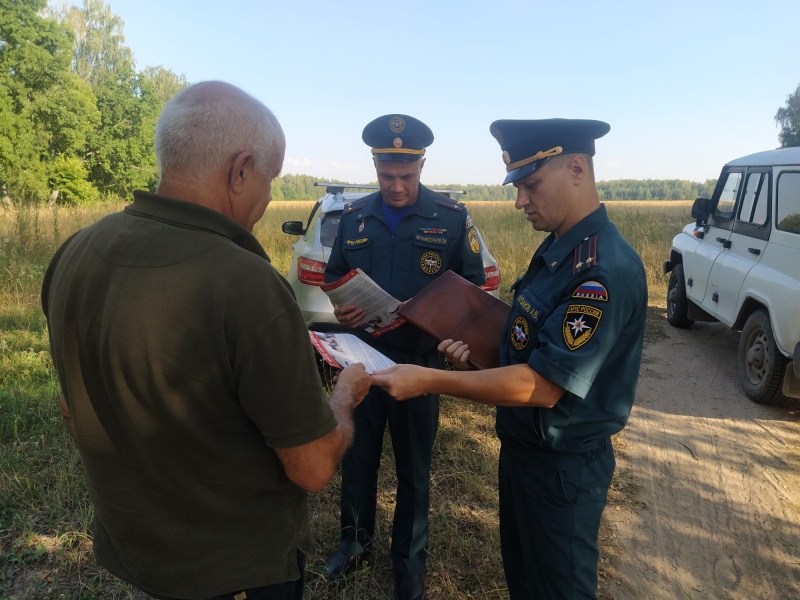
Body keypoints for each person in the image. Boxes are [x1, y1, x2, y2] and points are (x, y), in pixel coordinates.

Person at [41, 81, 372, 600]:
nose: (268, 197)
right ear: (240, 170)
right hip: (238, 573)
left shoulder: (76, 251)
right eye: (270, 179)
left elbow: (72, 407)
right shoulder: (248, 284)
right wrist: (345, 396)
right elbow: (310, 467)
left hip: (138, 555)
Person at [372, 118, 648, 600]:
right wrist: (478, 356)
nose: (520, 200)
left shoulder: (600, 270)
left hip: (562, 469)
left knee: (558, 588)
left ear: (578, 168)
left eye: (531, 184)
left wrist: (430, 381)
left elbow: (543, 385)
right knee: (525, 582)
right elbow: (525, 340)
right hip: (525, 452)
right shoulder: (560, 247)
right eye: (518, 186)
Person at [323, 114, 487, 600]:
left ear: (420, 165)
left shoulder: (451, 218)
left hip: (421, 365)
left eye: (407, 177)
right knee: (356, 458)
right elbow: (335, 279)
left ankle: (409, 564)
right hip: (363, 360)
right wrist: (342, 308)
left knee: (415, 468)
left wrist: (454, 336)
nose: (397, 187)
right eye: (388, 176)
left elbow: (473, 289)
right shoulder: (353, 219)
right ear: (375, 166)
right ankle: (354, 544)